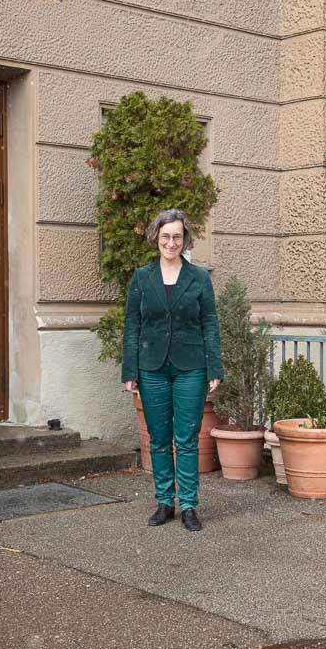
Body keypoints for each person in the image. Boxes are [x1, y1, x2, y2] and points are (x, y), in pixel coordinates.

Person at [122, 209, 222, 532]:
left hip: (191, 367)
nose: (171, 242)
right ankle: (165, 502)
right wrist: (130, 370)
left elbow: (210, 323)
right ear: (156, 238)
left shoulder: (199, 278)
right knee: (159, 438)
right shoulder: (141, 278)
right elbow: (132, 325)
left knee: (188, 438)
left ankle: (189, 505)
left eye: (177, 236)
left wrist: (214, 367)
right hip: (151, 368)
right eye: (165, 236)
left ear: (185, 239)